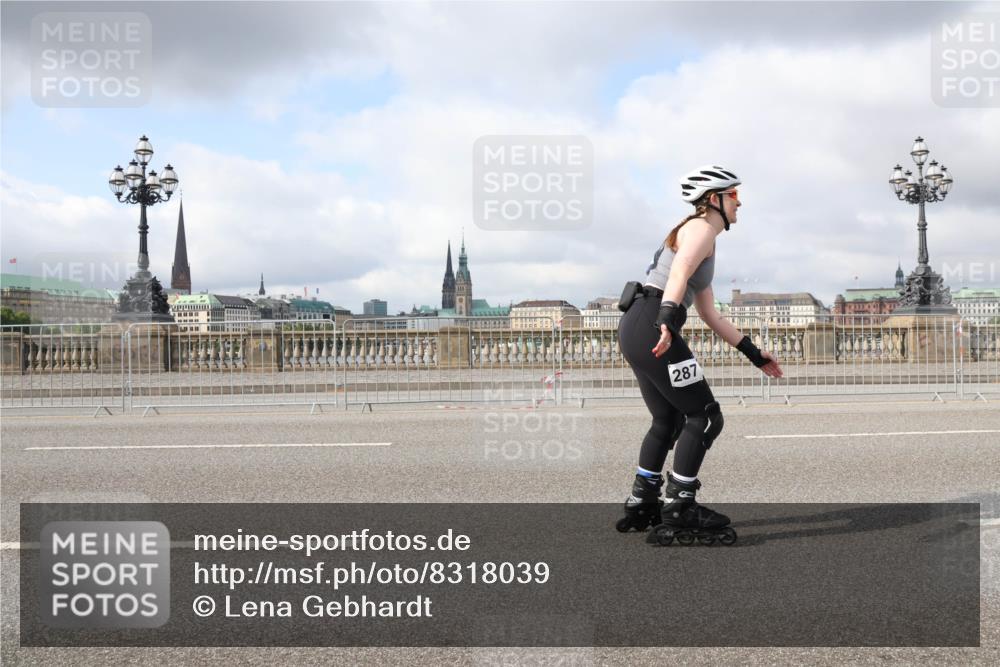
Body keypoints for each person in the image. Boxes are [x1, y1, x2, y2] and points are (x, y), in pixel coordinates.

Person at [615, 165, 783, 545]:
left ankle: (642, 498)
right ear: (714, 199)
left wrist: (754, 353)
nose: (740, 201)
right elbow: (678, 275)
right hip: (652, 321)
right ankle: (680, 504)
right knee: (706, 417)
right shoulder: (700, 229)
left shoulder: (702, 235)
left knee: (668, 418)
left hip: (637, 322)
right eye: (734, 194)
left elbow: (710, 313)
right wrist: (668, 320)